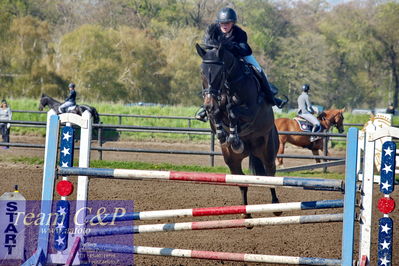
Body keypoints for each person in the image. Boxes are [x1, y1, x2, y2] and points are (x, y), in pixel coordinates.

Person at [195, 7, 288, 122]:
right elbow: (208, 46)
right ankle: (205, 107)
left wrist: (232, 47)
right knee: (208, 75)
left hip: (238, 58)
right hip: (218, 60)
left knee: (259, 70)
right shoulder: (212, 31)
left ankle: (271, 97)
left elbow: (246, 50)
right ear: (218, 23)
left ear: (232, 23)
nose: (224, 25)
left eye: (227, 23)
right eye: (222, 23)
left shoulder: (239, 33)